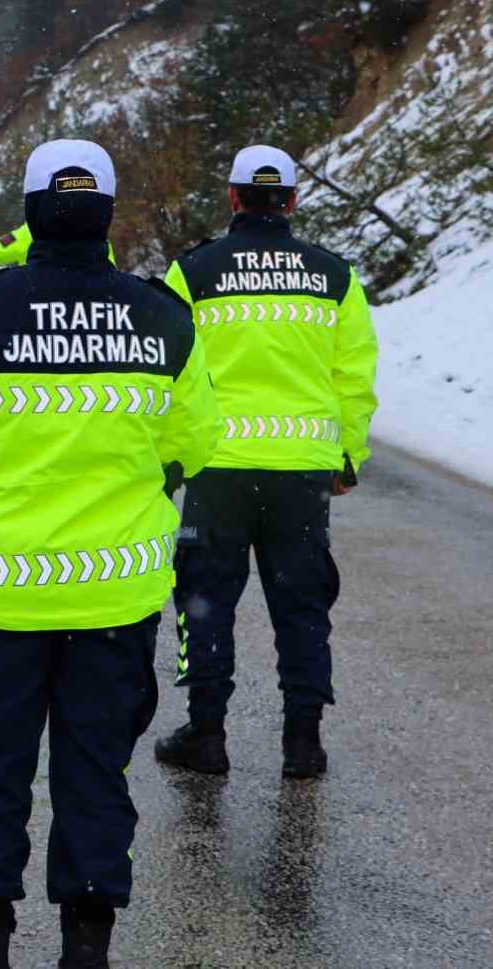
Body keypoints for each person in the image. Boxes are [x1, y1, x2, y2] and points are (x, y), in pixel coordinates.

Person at [0, 139, 222, 968]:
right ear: (108, 214)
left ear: (29, 211)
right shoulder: (162, 316)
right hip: (114, 605)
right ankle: (86, 949)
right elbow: (198, 438)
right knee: (95, 777)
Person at [153, 144, 379, 780]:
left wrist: (172, 463)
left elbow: (170, 373)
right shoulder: (334, 277)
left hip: (217, 471)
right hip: (301, 475)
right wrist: (347, 458)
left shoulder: (194, 272)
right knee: (301, 608)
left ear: (232, 197)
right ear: (293, 200)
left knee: (205, 602)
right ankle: (302, 745)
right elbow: (353, 378)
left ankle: (207, 735)